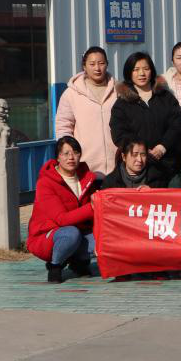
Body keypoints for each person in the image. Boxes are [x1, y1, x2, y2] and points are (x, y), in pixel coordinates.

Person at [27, 136, 99, 282]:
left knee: (101, 238)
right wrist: (91, 207)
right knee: (71, 234)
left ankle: (79, 262)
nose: (71, 157)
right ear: (58, 157)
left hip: (78, 230)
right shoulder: (45, 182)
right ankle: (55, 265)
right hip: (47, 235)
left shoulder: (87, 177)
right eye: (66, 153)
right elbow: (62, 219)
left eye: (75, 152)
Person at [109, 51, 181, 184]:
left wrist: (162, 147)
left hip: (169, 164)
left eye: (146, 69)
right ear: (129, 73)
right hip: (138, 167)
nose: (142, 73)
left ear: (152, 71)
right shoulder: (122, 104)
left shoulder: (165, 97)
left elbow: (177, 124)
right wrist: (141, 151)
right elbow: (119, 133)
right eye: (136, 70)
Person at [55, 46, 118, 176]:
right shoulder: (71, 94)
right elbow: (63, 127)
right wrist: (70, 154)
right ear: (84, 66)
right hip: (85, 168)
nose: (97, 68)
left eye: (101, 63)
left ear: (107, 64)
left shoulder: (119, 91)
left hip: (118, 167)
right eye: (92, 64)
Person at [101, 137, 166, 189]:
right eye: (134, 155)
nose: (139, 160)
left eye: (143, 155)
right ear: (124, 157)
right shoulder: (111, 182)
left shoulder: (158, 179)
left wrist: (152, 192)